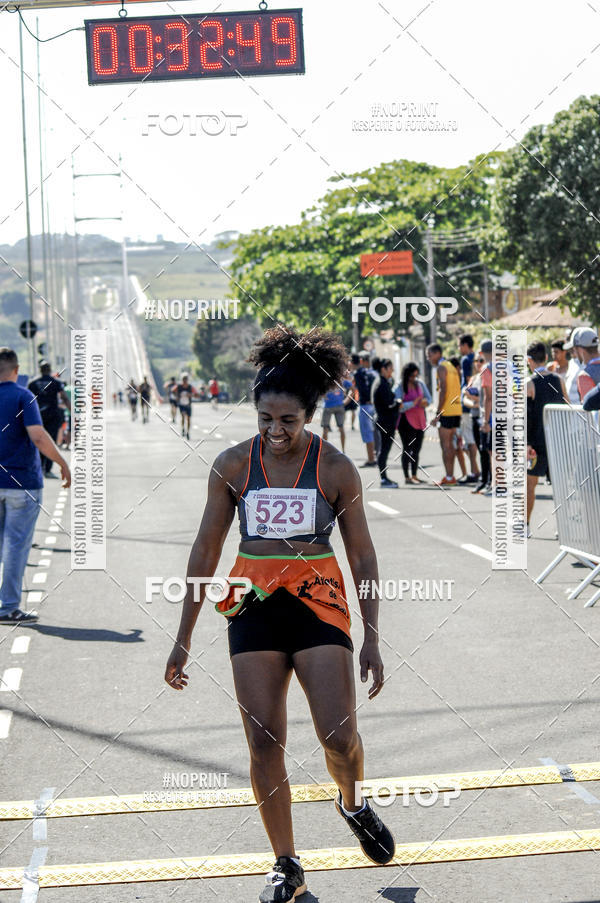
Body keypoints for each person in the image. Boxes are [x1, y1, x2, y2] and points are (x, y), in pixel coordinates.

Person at [164, 327, 395, 903]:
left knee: (338, 737)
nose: (274, 431)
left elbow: (362, 554)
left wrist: (371, 638)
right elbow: (205, 550)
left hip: (318, 602)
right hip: (254, 604)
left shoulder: (337, 469)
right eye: (265, 418)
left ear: (310, 416)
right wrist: (183, 637)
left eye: (287, 420)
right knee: (264, 743)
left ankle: (352, 801)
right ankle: (286, 864)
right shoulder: (233, 466)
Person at [0, 348, 71, 623]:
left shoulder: (26, 392)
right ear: (16, 370)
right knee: (16, 546)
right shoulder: (22, 395)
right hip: (22, 484)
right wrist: (62, 463)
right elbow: (38, 436)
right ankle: (8, 607)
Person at [526, 341, 568, 536]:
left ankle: (524, 525)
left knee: (529, 484)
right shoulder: (559, 379)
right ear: (546, 357)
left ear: (529, 360)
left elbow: (523, 416)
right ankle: (562, 528)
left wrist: (525, 443)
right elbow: (568, 408)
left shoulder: (530, 383)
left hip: (537, 443)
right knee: (559, 487)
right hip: (558, 440)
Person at [426, 343, 462, 487]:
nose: (428, 358)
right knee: (451, 446)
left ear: (437, 353)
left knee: (445, 446)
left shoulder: (441, 367)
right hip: (456, 409)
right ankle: (450, 475)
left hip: (446, 410)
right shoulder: (452, 366)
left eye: (429, 355)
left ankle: (449, 476)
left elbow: (443, 390)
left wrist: (437, 413)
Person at [28, 361, 71, 478]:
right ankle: (47, 469)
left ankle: (40, 467)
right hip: (53, 416)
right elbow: (64, 398)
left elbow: (28, 400)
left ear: (40, 370)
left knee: (38, 441)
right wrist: (72, 411)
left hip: (37, 416)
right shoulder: (56, 382)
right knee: (51, 441)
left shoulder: (33, 383)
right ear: (50, 369)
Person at [395, 363, 430, 484]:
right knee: (407, 448)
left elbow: (429, 399)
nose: (414, 378)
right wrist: (413, 403)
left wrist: (424, 403)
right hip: (405, 421)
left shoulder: (419, 384)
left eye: (416, 375)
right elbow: (399, 406)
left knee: (417, 449)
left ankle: (414, 475)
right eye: (411, 375)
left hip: (420, 419)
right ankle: (407, 477)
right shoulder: (400, 386)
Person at [371, 359, 401, 488]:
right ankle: (383, 479)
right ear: (383, 369)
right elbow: (389, 404)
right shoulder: (381, 383)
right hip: (384, 421)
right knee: (383, 450)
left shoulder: (382, 382)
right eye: (390, 368)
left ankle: (384, 478)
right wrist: (398, 403)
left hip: (384, 420)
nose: (392, 371)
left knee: (384, 450)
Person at [458, 335, 479, 483]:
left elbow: (467, 381)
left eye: (460, 345)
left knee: (468, 438)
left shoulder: (466, 360)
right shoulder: (477, 357)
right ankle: (476, 469)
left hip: (467, 403)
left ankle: (474, 470)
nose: (459, 348)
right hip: (477, 402)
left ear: (465, 345)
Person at [462, 352, 484, 493]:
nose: (478, 363)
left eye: (481, 360)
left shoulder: (489, 377)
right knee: (480, 449)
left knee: (489, 451)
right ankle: (482, 478)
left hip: (486, 418)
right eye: (476, 360)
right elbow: (464, 398)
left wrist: (475, 401)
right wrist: (475, 403)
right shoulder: (474, 378)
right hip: (474, 416)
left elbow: (490, 398)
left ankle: (490, 479)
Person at [351, 353, 377, 467]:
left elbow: (362, 389)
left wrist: (367, 399)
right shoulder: (369, 372)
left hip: (365, 405)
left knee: (367, 433)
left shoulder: (357, 374)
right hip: (372, 405)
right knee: (372, 431)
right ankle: (374, 457)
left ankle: (371, 459)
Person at [564, 327, 600, 402]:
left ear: (580, 349)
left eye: (574, 349)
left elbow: (588, 410)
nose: (574, 354)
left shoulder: (584, 375)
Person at [321, 374, 352, 452]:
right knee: (339, 429)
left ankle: (324, 451)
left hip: (329, 406)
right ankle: (343, 450)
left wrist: (346, 401)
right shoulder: (340, 379)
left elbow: (352, 390)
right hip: (337, 405)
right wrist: (346, 401)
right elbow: (353, 389)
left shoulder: (326, 379)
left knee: (326, 429)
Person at [176, 373, 195, 439]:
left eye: (186, 380)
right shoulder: (179, 387)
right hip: (181, 404)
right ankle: (183, 428)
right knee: (183, 417)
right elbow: (176, 394)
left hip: (188, 404)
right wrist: (178, 397)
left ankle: (188, 432)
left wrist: (189, 395)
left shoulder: (190, 387)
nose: (185, 381)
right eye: (184, 380)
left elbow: (194, 394)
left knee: (188, 419)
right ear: (182, 380)